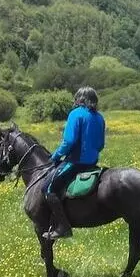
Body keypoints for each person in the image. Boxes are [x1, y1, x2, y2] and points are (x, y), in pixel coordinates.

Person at [43, 86, 106, 240]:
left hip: (76, 162)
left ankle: (63, 227)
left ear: (80, 99)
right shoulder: (100, 117)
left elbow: (69, 141)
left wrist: (55, 156)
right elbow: (100, 145)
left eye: (76, 98)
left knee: (48, 188)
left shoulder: (76, 114)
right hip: (92, 162)